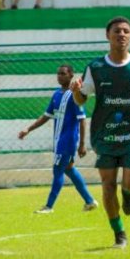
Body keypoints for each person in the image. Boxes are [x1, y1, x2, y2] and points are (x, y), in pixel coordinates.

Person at [71, 16, 130, 249]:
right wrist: (76, 92)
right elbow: (82, 99)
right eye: (117, 31)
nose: (121, 34)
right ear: (108, 36)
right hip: (105, 134)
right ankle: (119, 233)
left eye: (126, 31)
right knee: (107, 185)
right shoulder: (96, 67)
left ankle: (128, 194)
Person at [18, 65, 98, 213]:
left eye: (63, 74)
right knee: (69, 170)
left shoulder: (75, 95)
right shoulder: (56, 95)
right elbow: (46, 116)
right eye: (58, 74)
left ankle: (49, 206)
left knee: (57, 171)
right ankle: (89, 201)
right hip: (58, 140)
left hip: (68, 141)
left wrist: (82, 144)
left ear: (71, 76)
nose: (59, 76)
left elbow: (82, 120)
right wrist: (28, 129)